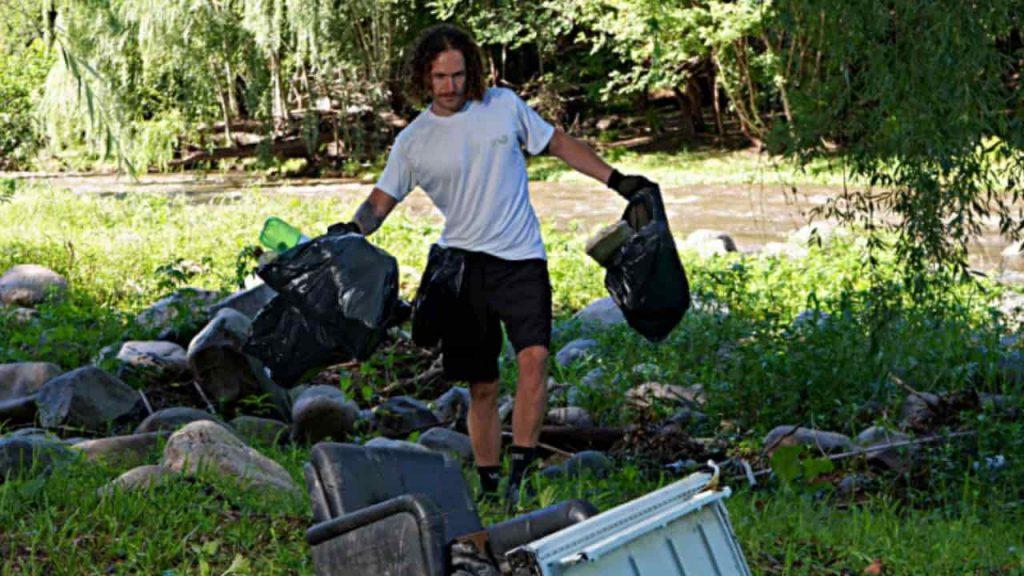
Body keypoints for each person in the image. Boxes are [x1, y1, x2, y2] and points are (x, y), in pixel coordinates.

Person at [337, 23, 653, 509]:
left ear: (472, 71)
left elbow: (560, 143)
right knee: (482, 386)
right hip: (463, 271)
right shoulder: (414, 141)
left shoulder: (503, 108)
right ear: (425, 78)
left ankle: (521, 472)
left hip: (521, 258)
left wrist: (619, 181)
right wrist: (350, 232)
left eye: (459, 75)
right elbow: (379, 204)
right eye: (440, 77)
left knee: (535, 359)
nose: (451, 86)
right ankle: (488, 481)